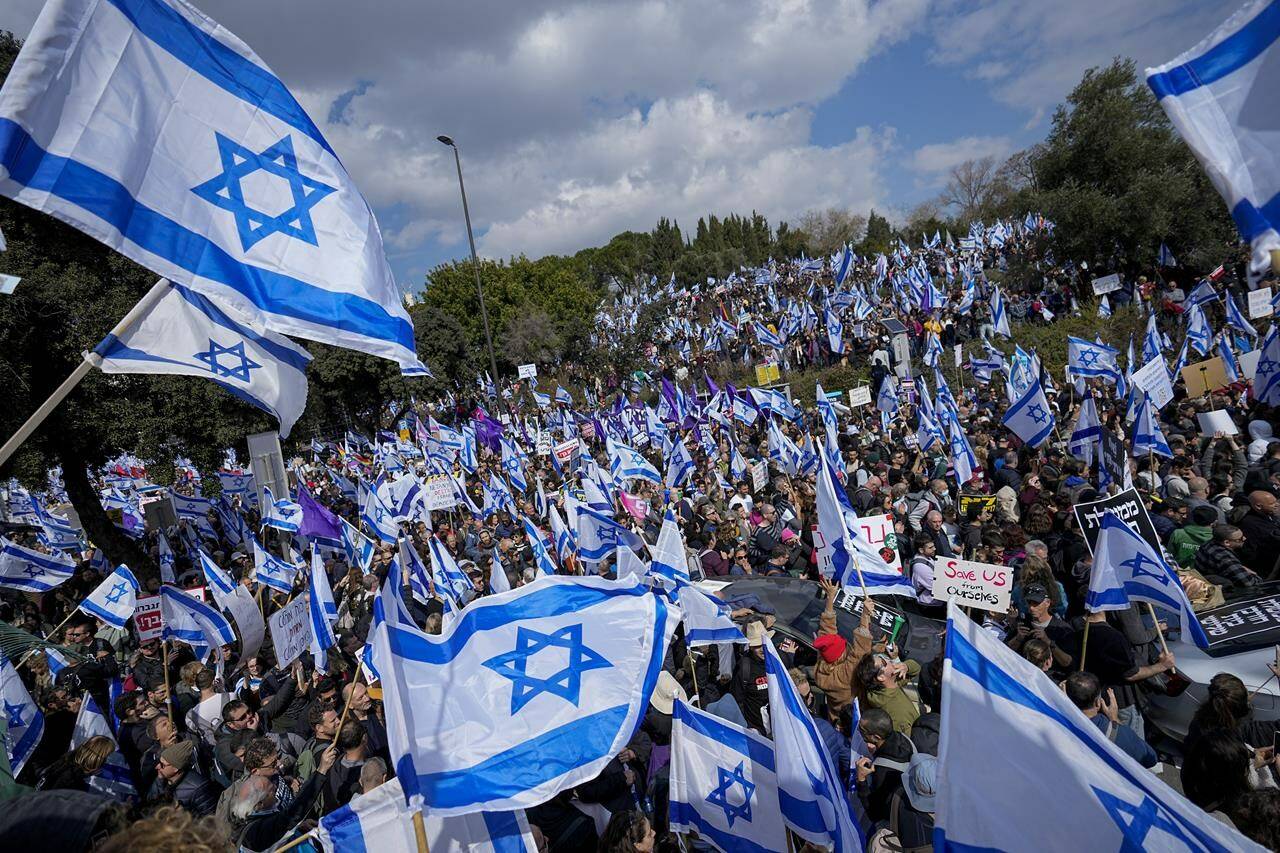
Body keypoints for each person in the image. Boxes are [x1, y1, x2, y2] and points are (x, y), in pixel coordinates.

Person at [1063, 672, 1157, 768]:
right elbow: (1151, 758)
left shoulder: (1056, 726)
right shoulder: (1117, 734)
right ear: (1097, 703)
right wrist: (1115, 720)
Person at [812, 577, 874, 711]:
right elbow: (860, 652)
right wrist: (865, 615)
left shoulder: (824, 659)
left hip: (834, 713)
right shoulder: (842, 676)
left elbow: (826, 627)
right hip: (850, 719)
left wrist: (830, 597)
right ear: (841, 655)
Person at [855, 652, 921, 735]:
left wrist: (906, 666)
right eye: (884, 662)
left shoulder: (884, 688)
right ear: (881, 677)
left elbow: (916, 669)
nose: (888, 660)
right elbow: (908, 741)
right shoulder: (898, 714)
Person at [152, 739, 221, 817]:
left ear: (176, 768)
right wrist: (159, 780)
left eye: (162, 764)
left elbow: (209, 818)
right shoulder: (163, 778)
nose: (157, 766)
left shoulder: (198, 787)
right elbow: (151, 800)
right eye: (159, 762)